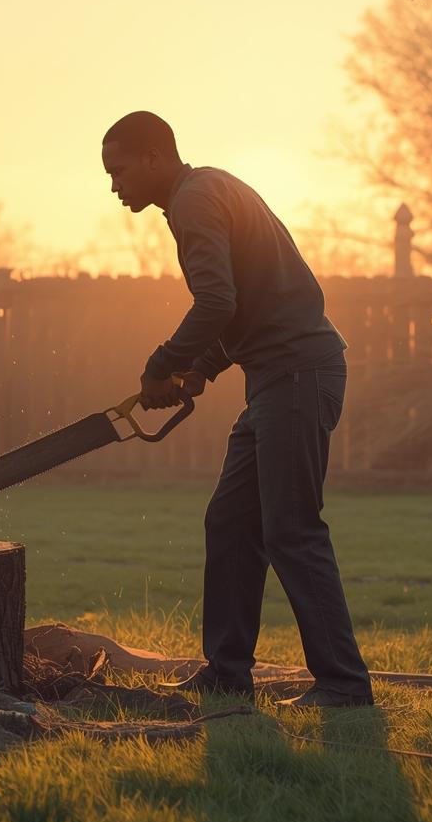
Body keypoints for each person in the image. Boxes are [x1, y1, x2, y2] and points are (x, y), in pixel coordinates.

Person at [101, 110, 374, 708]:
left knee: (292, 530)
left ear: (154, 157)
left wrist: (161, 363)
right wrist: (200, 370)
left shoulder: (195, 202)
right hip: (277, 377)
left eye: (119, 170)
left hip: (297, 376)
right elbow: (248, 304)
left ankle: (345, 685)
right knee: (230, 522)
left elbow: (217, 300)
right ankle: (227, 673)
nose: (114, 185)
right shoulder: (207, 190)